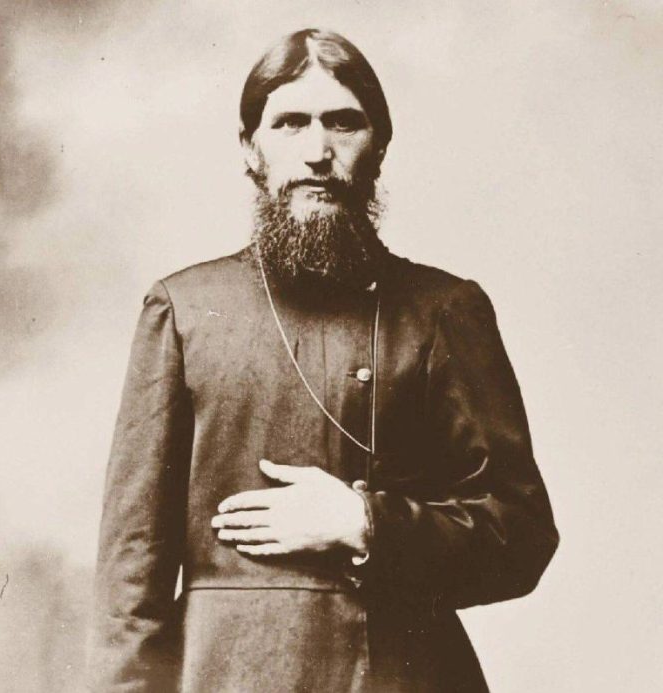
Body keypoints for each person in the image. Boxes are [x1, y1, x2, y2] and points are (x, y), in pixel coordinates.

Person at [90, 28, 559, 693]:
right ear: (250, 149)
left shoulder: (445, 309)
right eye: (289, 123)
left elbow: (522, 537)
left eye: (343, 123)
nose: (317, 152)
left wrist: (365, 524)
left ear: (379, 147)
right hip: (228, 673)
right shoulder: (184, 308)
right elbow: (129, 575)